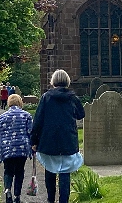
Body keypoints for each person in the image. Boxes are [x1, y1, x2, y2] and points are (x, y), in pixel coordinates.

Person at [31, 70, 85, 203]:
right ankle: (63, 201)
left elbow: (38, 120)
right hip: (68, 139)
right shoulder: (72, 97)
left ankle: (50, 200)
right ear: (67, 81)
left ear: (53, 81)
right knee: (65, 172)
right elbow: (81, 114)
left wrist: (33, 140)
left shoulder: (46, 97)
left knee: (50, 169)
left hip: (48, 140)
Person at [0, 94, 33, 203]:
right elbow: (31, 133)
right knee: (20, 171)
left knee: (8, 170)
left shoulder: (2, 117)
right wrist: (33, 148)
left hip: (6, 149)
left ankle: (7, 190)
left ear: (9, 103)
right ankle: (17, 196)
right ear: (20, 103)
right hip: (22, 148)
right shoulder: (26, 116)